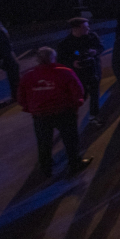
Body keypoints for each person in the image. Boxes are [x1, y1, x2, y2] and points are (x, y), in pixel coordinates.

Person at [17, 47, 92, 176]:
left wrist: (31, 109)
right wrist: (76, 105)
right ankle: (74, 164)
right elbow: (78, 92)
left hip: (40, 115)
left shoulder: (29, 76)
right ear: (54, 58)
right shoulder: (65, 72)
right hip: (64, 112)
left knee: (44, 142)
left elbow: (21, 97)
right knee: (70, 140)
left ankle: (46, 168)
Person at [57, 17, 105, 126]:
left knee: (94, 95)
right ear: (76, 29)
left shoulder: (92, 37)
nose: (88, 28)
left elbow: (101, 47)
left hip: (93, 70)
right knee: (79, 96)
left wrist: (95, 51)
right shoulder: (65, 44)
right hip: (78, 75)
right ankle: (69, 117)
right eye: (85, 27)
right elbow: (60, 61)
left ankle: (93, 116)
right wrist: (72, 63)